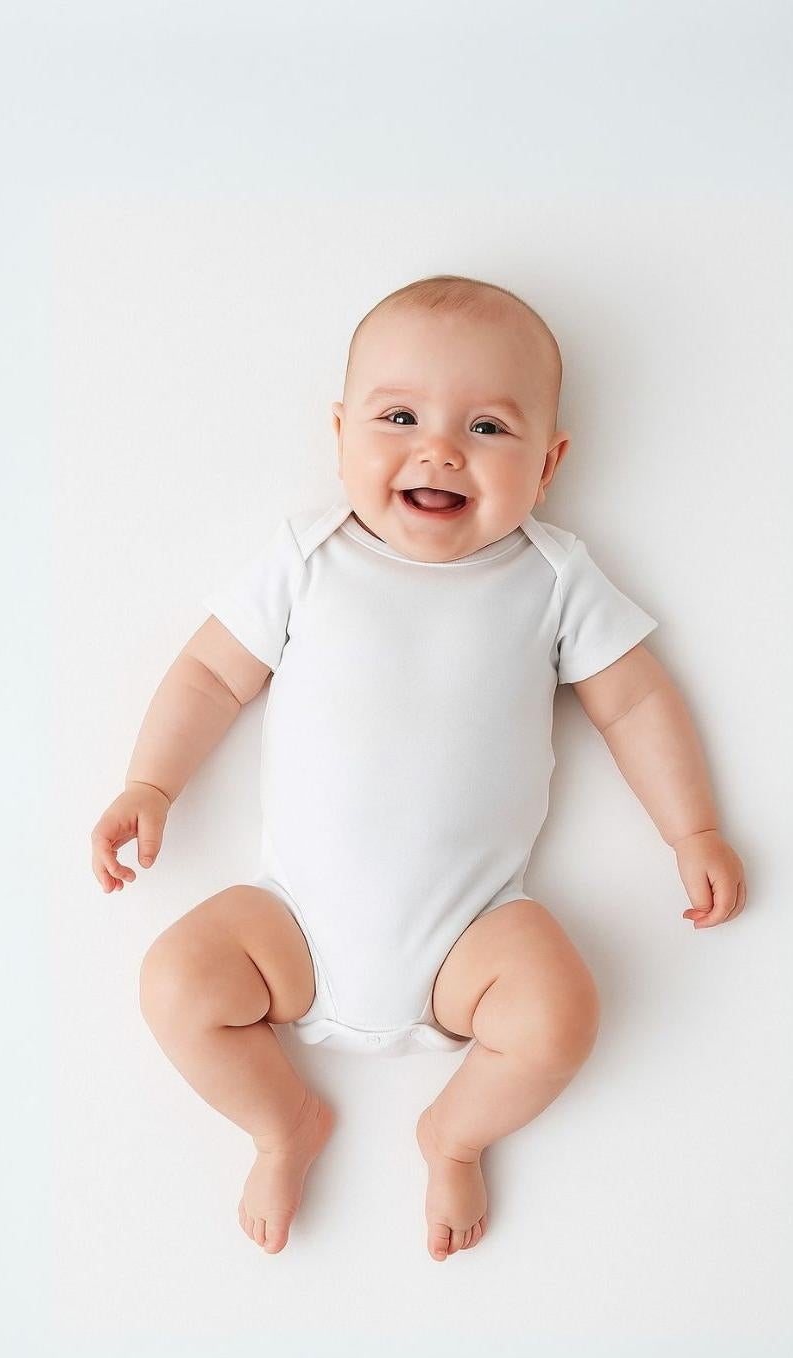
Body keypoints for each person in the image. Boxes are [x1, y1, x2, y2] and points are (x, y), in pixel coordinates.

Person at [90, 274, 746, 1261]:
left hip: (471, 939)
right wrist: (151, 783)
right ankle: (280, 1121)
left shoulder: (552, 577)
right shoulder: (308, 557)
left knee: (558, 1015)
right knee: (175, 982)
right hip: (290, 927)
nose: (438, 449)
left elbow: (634, 702)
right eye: (398, 417)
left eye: (487, 427)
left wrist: (690, 828)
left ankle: (455, 1132)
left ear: (548, 462)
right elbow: (211, 674)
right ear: (340, 433)